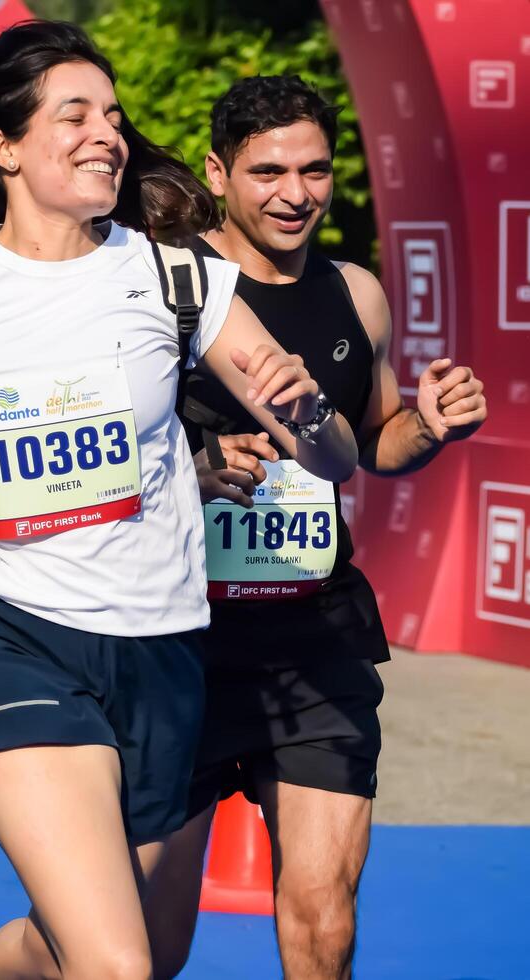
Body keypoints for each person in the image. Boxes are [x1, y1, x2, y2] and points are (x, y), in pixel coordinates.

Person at [0, 23, 359, 980]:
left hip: (166, 653)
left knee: (126, 953)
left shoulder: (179, 281)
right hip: (13, 639)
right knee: (116, 967)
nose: (107, 135)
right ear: (4, 148)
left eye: (114, 116)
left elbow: (332, 455)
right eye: (75, 114)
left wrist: (310, 414)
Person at [148, 76, 488, 980]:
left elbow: (378, 441)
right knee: (142, 951)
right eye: (267, 171)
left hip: (313, 636)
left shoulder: (355, 293)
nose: (294, 193)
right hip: (176, 646)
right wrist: (195, 467)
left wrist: (429, 426)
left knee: (322, 921)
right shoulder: (164, 292)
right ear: (218, 174)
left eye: (313, 170)